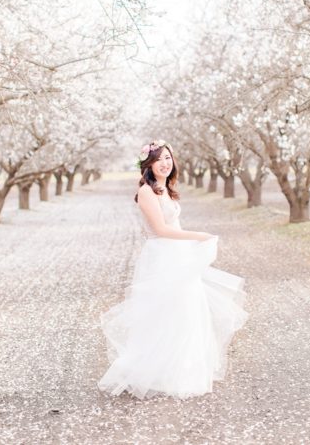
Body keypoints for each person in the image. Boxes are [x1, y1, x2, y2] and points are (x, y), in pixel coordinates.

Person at [97, 139, 248, 398]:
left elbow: (174, 225)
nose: (164, 163)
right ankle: (155, 371)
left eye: (167, 158)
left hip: (177, 254)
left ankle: (182, 371)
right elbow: (161, 230)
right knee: (165, 312)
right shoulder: (146, 190)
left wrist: (190, 248)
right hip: (161, 256)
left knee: (187, 310)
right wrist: (198, 236)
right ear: (148, 165)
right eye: (158, 160)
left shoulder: (165, 187)